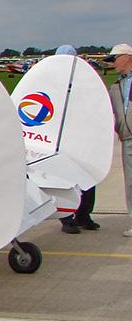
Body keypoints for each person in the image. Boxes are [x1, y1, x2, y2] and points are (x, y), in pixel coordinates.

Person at [55, 45, 100, 234]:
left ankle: (83, 214)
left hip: (81, 138)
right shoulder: (53, 83)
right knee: (63, 180)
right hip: (61, 140)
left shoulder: (84, 82)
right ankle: (67, 218)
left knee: (87, 177)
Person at [106, 42, 132, 237]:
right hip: (127, 138)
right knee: (130, 182)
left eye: (115, 59)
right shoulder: (115, 86)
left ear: (127, 57)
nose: (113, 63)